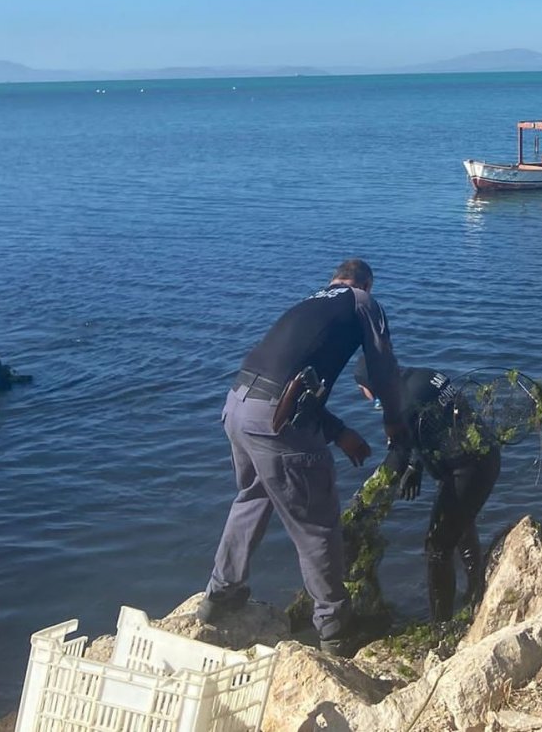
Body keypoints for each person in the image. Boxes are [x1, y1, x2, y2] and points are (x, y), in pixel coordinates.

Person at [198, 259, 408, 655]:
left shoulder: (308, 303)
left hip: (237, 405)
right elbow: (383, 368)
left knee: (253, 497)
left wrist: (338, 432)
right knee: (317, 524)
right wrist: (394, 421)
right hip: (276, 416)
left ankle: (221, 594)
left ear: (333, 280)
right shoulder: (362, 302)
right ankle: (335, 627)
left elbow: (290, 383)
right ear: (365, 283)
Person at [353, 359, 502, 622]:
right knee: (460, 525)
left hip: (468, 470)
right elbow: (435, 423)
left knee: (436, 547)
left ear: (371, 385)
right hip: (483, 456)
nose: (362, 395)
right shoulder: (424, 375)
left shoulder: (398, 403)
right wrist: (417, 464)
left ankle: (441, 627)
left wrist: (364, 504)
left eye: (361, 388)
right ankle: (475, 593)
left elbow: (395, 460)